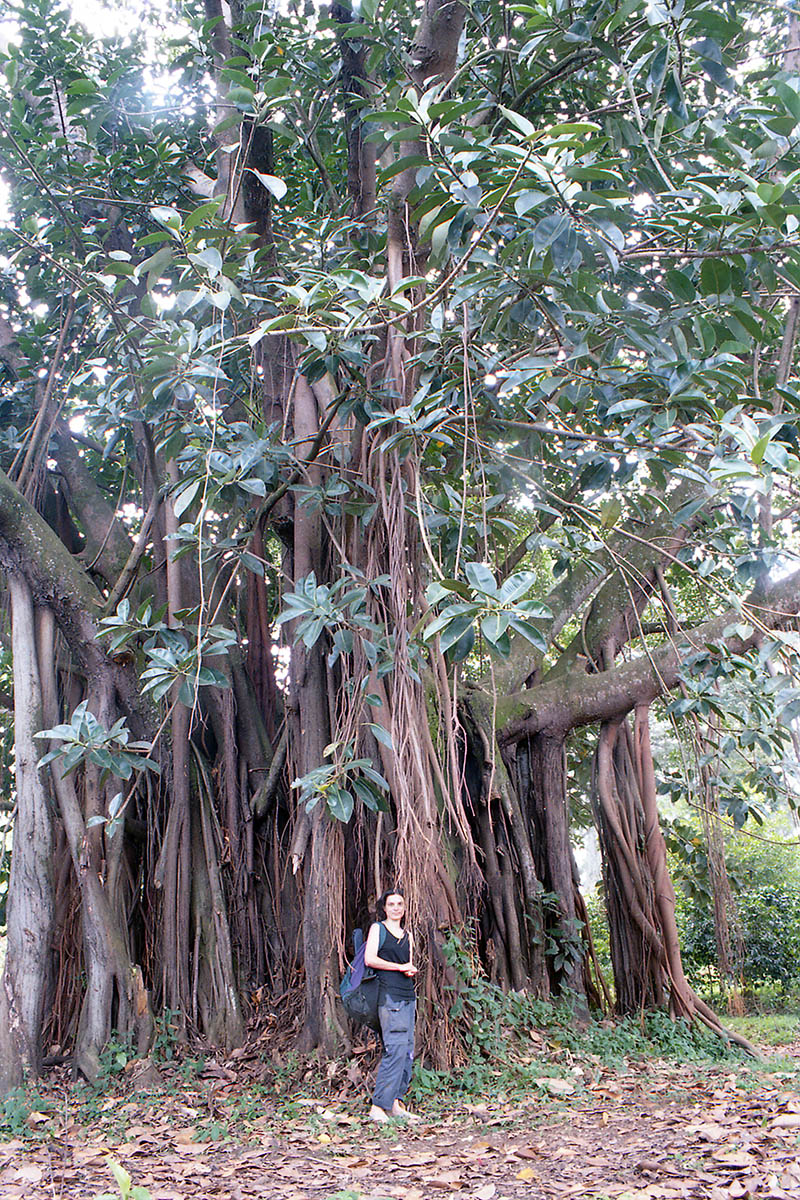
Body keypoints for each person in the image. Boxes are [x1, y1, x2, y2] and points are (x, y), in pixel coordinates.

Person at [363, 890, 419, 1123]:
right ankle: (378, 1106)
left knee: (407, 1050)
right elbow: (370, 959)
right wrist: (398, 967)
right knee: (394, 1048)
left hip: (408, 996)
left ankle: (395, 1103)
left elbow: (409, 963)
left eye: (400, 904)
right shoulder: (379, 929)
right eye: (391, 904)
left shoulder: (408, 935)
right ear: (384, 908)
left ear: (405, 908)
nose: (396, 908)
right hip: (389, 997)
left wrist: (408, 969)